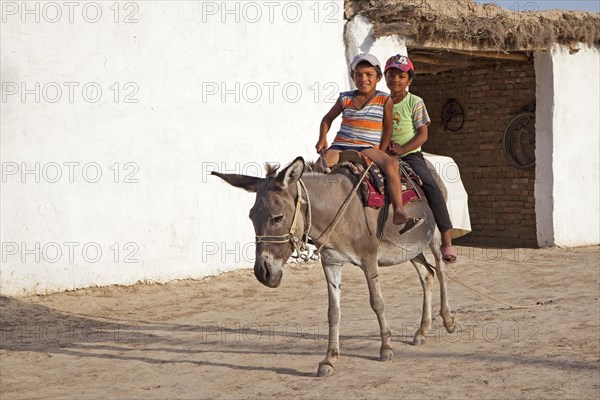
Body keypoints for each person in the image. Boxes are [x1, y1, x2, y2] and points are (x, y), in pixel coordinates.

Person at [315, 53, 423, 234]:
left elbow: (387, 128)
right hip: (341, 144)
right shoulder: (345, 98)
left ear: (378, 77)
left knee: (391, 164)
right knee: (319, 168)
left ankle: (398, 211)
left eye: (368, 74)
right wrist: (322, 138)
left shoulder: (384, 99)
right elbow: (327, 119)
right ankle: (316, 216)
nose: (363, 79)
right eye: (358, 75)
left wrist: (380, 151)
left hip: (367, 146)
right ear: (353, 77)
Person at [383, 54, 457, 262]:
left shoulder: (415, 102)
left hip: (410, 156)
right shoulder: (381, 102)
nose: (395, 80)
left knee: (432, 188)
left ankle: (446, 241)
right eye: (391, 75)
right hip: (385, 155)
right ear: (385, 77)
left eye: (401, 76)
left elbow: (423, 134)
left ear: (409, 81)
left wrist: (402, 148)